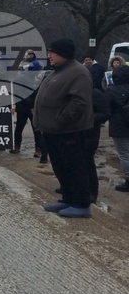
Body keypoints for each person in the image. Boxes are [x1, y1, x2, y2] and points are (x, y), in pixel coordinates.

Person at [35, 39, 95, 218]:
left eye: (52, 52)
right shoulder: (58, 71)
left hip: (69, 131)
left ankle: (82, 204)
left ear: (64, 53)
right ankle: (68, 199)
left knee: (75, 168)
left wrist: (60, 121)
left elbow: (79, 102)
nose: (49, 56)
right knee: (61, 167)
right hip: (54, 131)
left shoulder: (78, 72)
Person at [106, 66, 129, 192]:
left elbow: (106, 109)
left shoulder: (111, 91)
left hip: (119, 126)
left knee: (125, 154)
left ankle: (128, 179)